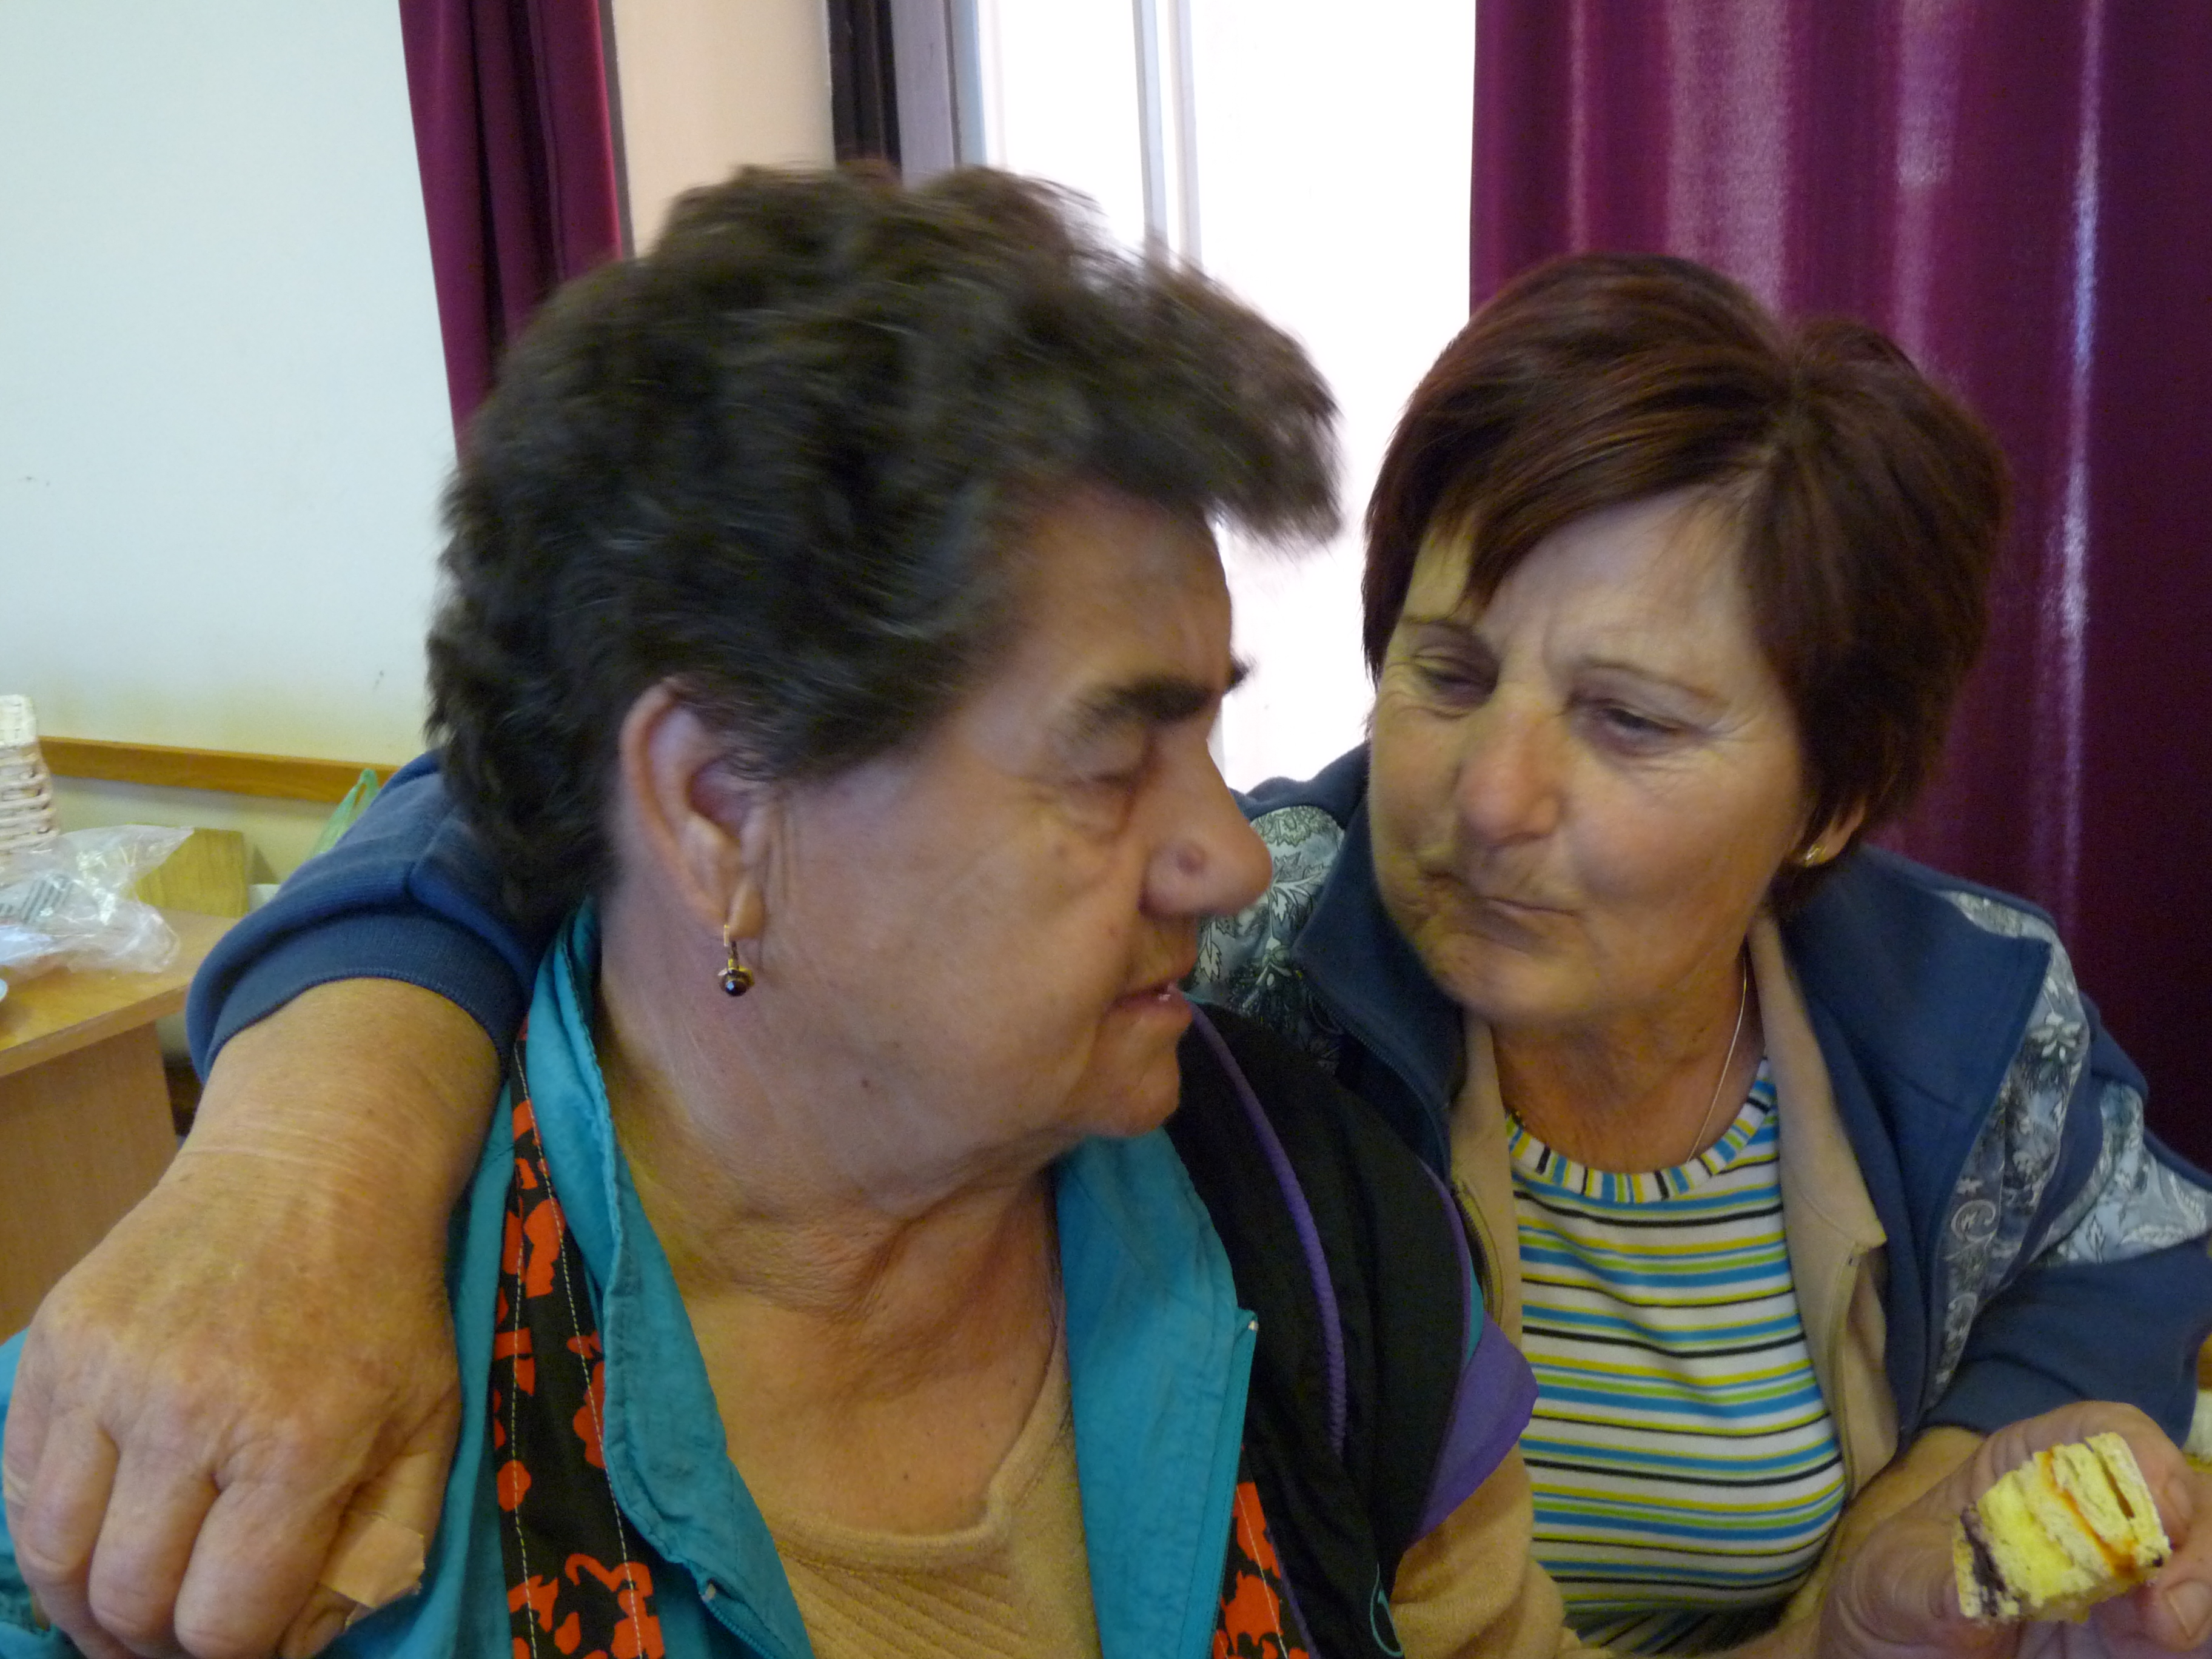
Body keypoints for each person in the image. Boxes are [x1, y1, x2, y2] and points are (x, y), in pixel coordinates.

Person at [8, 235, 2212, 1659]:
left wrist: (1948, 1525)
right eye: (1442, 674)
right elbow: (530, 778)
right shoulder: (1252, 996)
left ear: (1825, 804)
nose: (1477, 801)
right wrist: (311, 1139)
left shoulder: (1338, 1219)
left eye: (1631, 722)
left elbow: (2120, 1247)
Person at [0, 167, 1547, 1659]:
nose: (1231, 859)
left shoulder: (1328, 1240)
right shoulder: (215, 1446)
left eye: (1204, 729)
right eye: (1107, 762)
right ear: (718, 810)